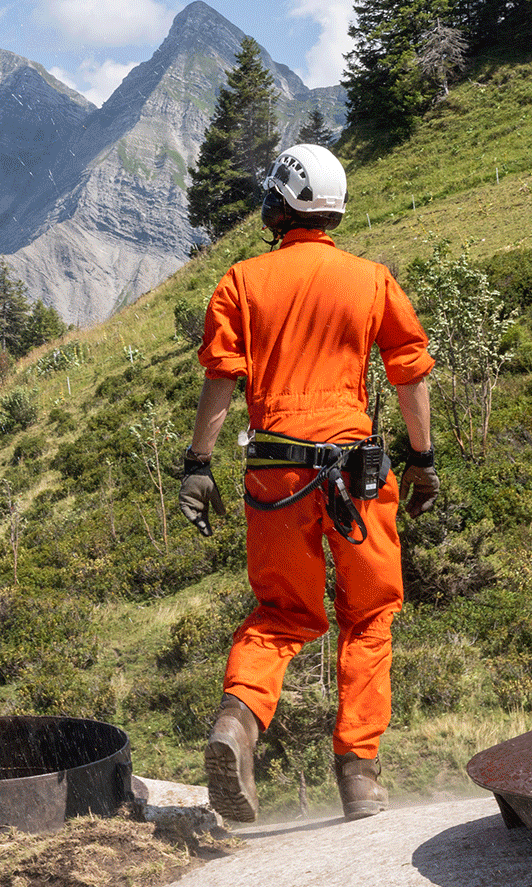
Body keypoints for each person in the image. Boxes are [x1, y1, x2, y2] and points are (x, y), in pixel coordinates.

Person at [182, 143, 439, 823]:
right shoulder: (372, 278)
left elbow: (222, 376)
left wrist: (198, 464)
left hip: (274, 470)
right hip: (355, 473)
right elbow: (409, 369)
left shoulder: (241, 280)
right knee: (370, 613)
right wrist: (424, 457)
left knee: (281, 614)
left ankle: (237, 722)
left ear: (280, 203)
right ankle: (359, 773)